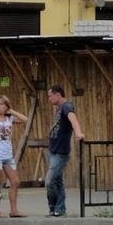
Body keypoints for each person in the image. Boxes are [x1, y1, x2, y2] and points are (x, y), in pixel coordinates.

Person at [0, 94, 29, 218]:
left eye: (2, 104)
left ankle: (14, 210)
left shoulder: (9, 119)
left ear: (6, 106)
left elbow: (25, 119)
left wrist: (12, 111)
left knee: (15, 181)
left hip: (8, 156)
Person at [46, 84, 85, 217]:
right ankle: (57, 208)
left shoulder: (66, 106)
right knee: (57, 180)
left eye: (50, 96)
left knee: (49, 181)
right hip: (52, 150)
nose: (49, 99)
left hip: (60, 153)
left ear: (58, 94)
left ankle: (57, 207)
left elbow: (73, 118)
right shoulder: (58, 108)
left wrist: (79, 132)